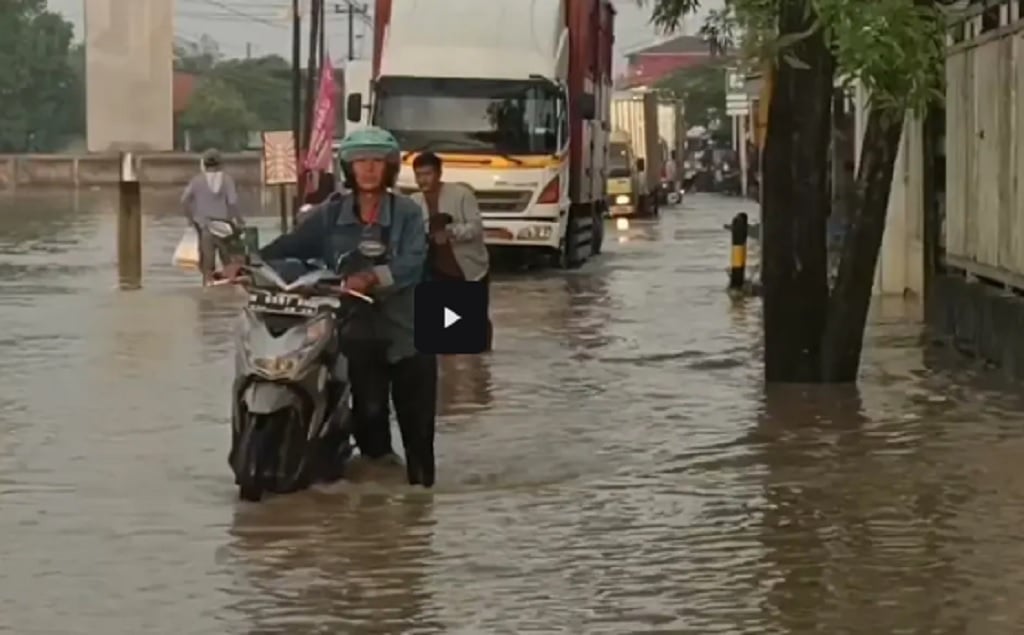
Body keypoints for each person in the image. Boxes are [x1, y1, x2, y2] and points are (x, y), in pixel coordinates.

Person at [220, 127, 436, 488]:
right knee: (368, 420)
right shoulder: (330, 214)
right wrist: (246, 263)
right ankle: (375, 502)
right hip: (355, 329)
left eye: (376, 162)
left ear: (390, 168)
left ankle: (420, 506)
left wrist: (369, 278)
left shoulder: (408, 213)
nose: (368, 169)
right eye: (360, 161)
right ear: (347, 168)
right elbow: (290, 245)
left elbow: (413, 262)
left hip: (409, 330)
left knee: (418, 433)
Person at [410, 152, 493, 351]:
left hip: (468, 268)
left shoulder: (461, 194)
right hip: (434, 270)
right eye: (418, 175)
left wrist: (450, 233)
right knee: (439, 326)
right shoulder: (413, 202)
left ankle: (480, 368)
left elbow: (476, 227)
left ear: (439, 174)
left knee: (475, 324)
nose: (422, 180)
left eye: (427, 174)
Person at [181, 148, 243, 285]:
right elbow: (233, 202)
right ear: (221, 163)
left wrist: (190, 219)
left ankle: (207, 293)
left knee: (207, 268)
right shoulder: (227, 180)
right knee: (229, 266)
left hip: (205, 228)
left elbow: (184, 200)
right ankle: (228, 299)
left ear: (204, 163)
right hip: (224, 229)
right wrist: (239, 220)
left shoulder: (197, 180)